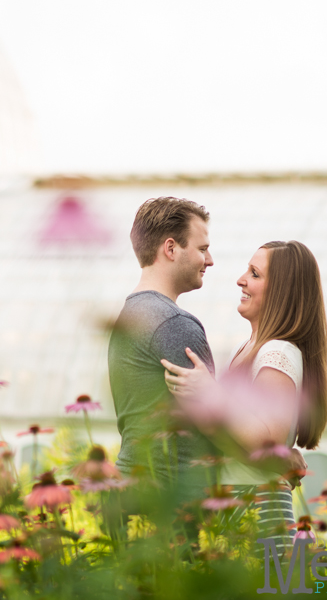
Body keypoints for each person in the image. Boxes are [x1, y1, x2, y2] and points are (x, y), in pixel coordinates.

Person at [163, 240, 327, 549]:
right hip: (239, 502)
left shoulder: (276, 352)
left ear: (281, 292)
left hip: (257, 506)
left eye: (254, 274)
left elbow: (267, 440)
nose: (241, 279)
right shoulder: (252, 349)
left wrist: (211, 393)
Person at [107, 196, 217, 496]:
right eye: (202, 249)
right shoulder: (173, 323)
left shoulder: (129, 317)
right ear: (170, 248)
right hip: (173, 503)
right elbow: (217, 425)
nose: (209, 261)